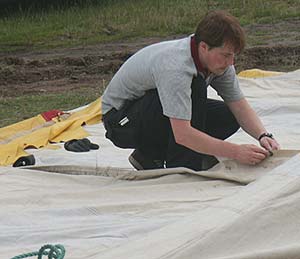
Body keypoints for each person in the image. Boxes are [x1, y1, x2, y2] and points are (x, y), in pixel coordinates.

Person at [101, 10, 280, 171]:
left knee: (229, 116)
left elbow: (239, 105)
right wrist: (235, 152)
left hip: (150, 113)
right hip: (120, 122)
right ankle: (182, 167)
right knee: (195, 87)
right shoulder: (176, 66)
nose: (231, 62)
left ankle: (150, 155)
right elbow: (183, 135)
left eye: (233, 55)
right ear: (204, 47)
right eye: (226, 55)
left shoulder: (219, 63)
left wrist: (263, 135)